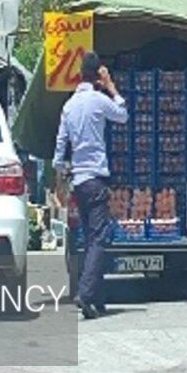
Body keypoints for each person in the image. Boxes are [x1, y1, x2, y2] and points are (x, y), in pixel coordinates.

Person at [54, 52, 128, 320]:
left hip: (79, 181)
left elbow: (60, 146)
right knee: (98, 240)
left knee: (88, 239)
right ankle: (85, 295)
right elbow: (122, 115)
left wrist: (61, 172)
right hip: (96, 178)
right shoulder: (99, 100)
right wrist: (111, 87)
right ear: (98, 75)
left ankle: (98, 299)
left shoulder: (69, 105)